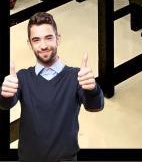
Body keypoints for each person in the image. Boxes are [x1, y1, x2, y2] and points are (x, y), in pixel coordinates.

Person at [0, 11, 104, 162]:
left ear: (58, 39)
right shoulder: (22, 77)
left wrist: (93, 88)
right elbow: (6, 104)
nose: (43, 46)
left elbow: (95, 106)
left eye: (48, 38)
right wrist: (5, 93)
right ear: (30, 44)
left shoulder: (76, 76)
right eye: (36, 40)